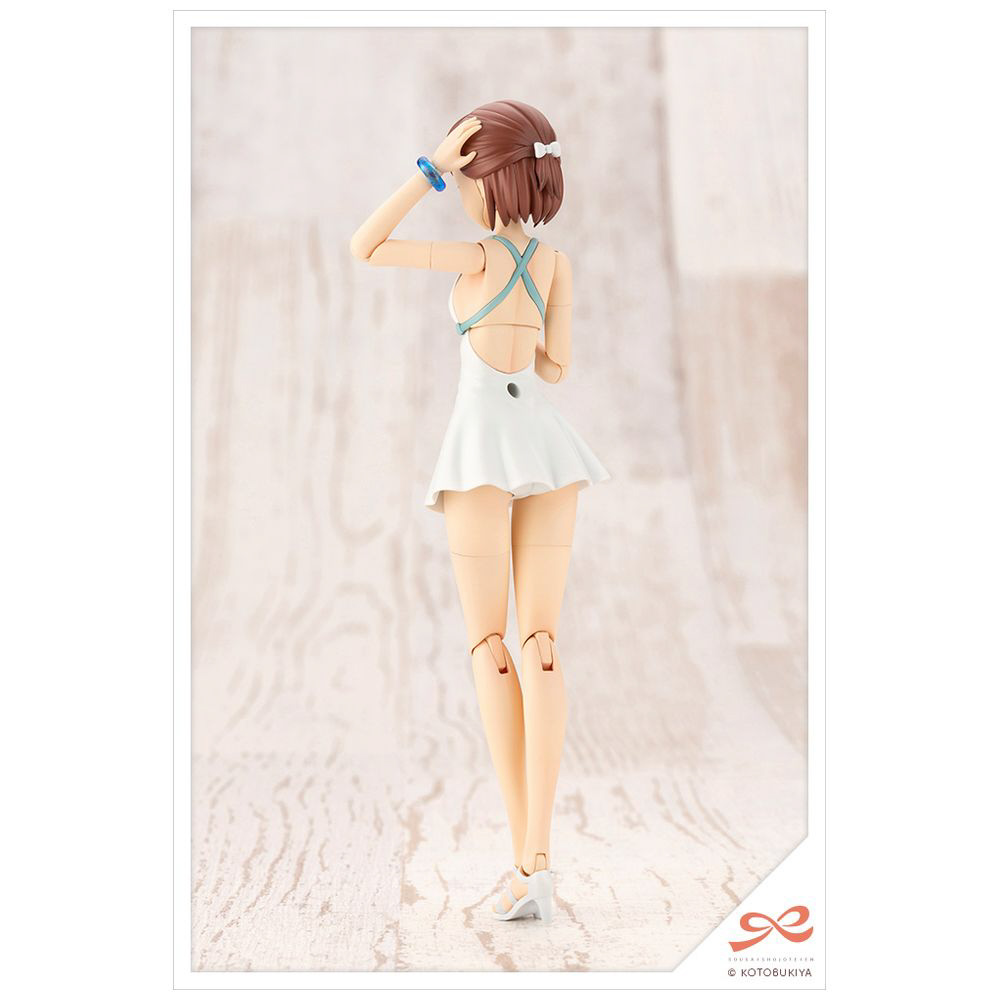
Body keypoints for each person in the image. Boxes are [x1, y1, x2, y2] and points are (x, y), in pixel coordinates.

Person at [350, 99, 610, 923]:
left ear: (484, 182)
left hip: (479, 449)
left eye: (465, 180)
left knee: (490, 648)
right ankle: (539, 860)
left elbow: (366, 246)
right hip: (546, 445)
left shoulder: (473, 254)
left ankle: (524, 868)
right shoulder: (556, 263)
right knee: (541, 644)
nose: (460, 191)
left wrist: (425, 172)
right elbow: (556, 367)